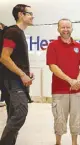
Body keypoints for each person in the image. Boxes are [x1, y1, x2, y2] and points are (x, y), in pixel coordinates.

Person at [46, 18, 80, 145]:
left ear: (72, 29)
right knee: (59, 119)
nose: (65, 30)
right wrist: (70, 80)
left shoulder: (78, 46)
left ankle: (75, 143)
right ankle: (58, 142)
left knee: (77, 119)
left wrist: (77, 80)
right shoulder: (53, 46)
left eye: (68, 27)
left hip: (77, 90)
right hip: (59, 90)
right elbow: (53, 66)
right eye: (62, 27)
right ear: (58, 29)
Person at [0, 4, 34, 145]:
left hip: (17, 79)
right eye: (29, 13)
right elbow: (4, 57)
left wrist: (26, 72)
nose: (32, 16)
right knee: (20, 112)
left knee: (13, 114)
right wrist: (22, 74)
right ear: (20, 15)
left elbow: (14, 59)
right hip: (12, 80)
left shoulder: (19, 33)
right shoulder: (13, 32)